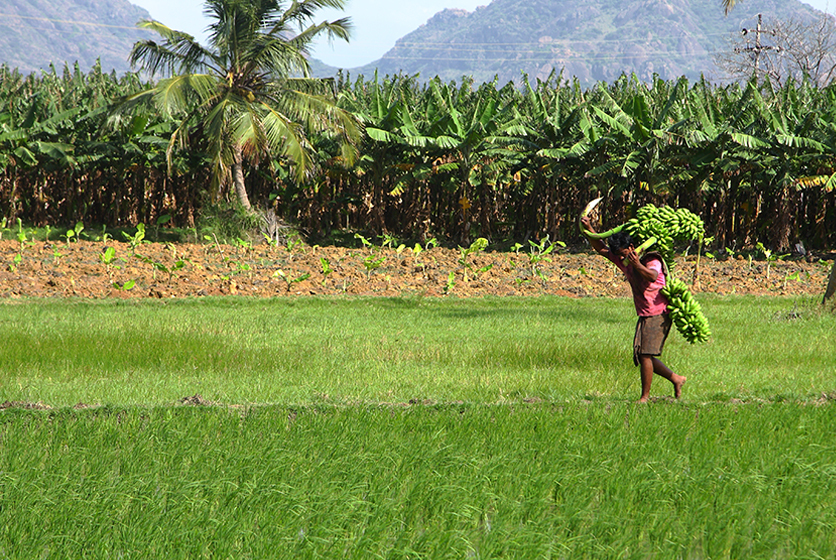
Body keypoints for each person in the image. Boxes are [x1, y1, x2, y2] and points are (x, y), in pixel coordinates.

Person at [581, 216, 686, 402]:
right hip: (645, 312)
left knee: (646, 354)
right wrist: (589, 228)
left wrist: (637, 264)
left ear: (631, 247)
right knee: (641, 354)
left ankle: (644, 397)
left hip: (659, 311)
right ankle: (676, 378)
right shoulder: (623, 259)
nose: (622, 259)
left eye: (623, 254)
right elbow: (601, 248)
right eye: (619, 256)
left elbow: (653, 276)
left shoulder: (650, 258)